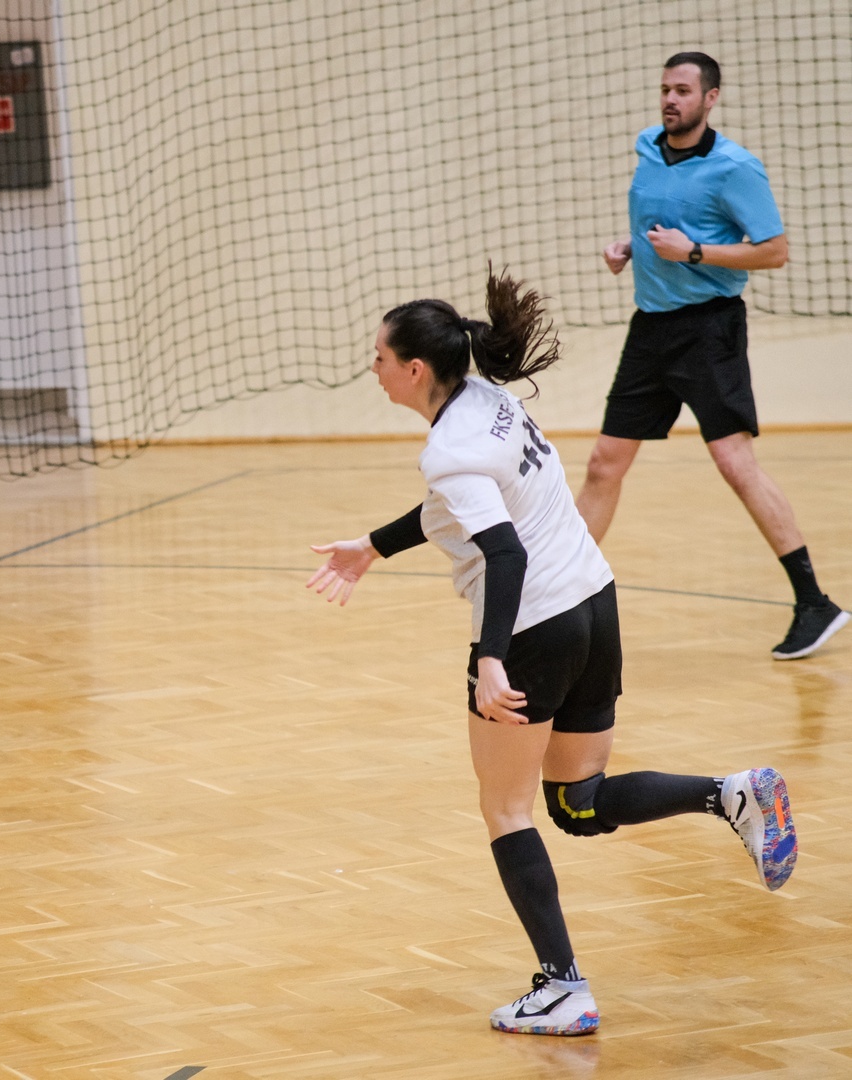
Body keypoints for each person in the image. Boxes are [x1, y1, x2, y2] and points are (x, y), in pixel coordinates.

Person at [306, 269, 796, 1037]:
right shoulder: (487, 400)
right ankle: (732, 794)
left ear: (414, 370)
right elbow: (456, 508)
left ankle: (564, 987)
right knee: (578, 802)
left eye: (379, 357)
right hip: (593, 603)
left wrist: (492, 659)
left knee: (506, 809)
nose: (372, 368)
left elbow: (503, 553)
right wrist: (372, 546)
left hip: (534, 628)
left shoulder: (450, 449)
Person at [577, 51, 845, 660]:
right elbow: (662, 222)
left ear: (711, 98)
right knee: (602, 464)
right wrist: (629, 248)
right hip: (650, 329)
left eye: (683, 90)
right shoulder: (647, 147)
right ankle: (559, 594)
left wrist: (694, 253)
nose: (670, 100)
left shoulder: (735, 168)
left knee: (734, 463)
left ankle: (814, 602)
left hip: (709, 330)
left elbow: (774, 251)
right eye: (665, 89)